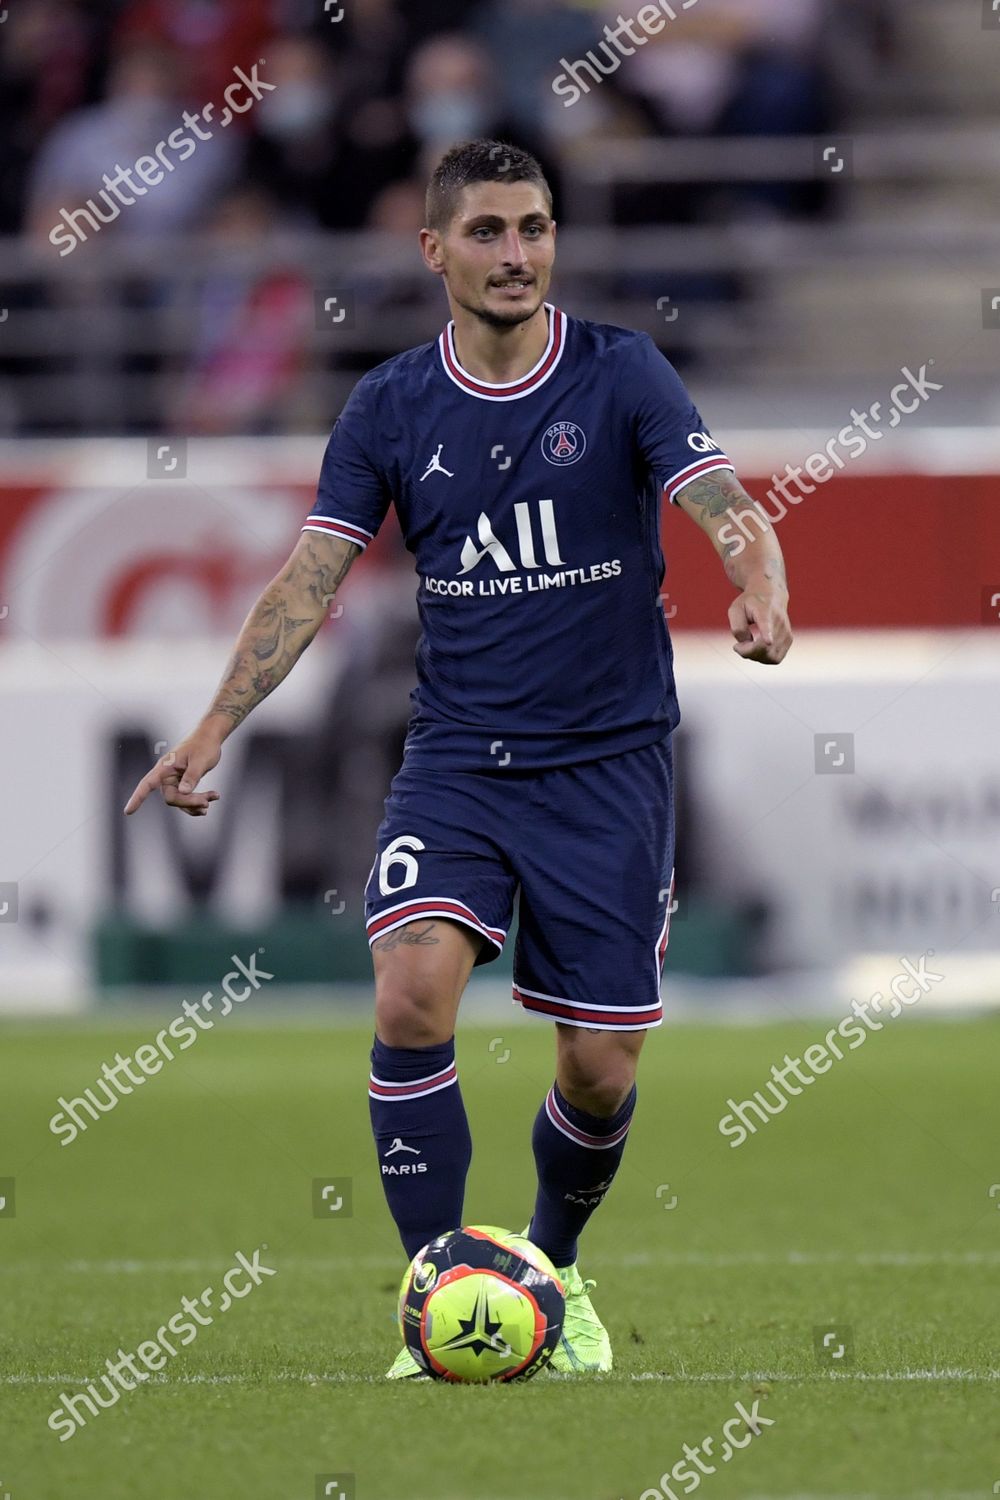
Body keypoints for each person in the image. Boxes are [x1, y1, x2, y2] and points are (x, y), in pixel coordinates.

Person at [124, 139, 792, 1379]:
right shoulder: (387, 406)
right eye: (485, 232)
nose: (515, 254)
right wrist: (215, 722)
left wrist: (759, 585)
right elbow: (309, 580)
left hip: (610, 766)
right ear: (433, 250)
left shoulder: (621, 372)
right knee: (409, 994)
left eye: (533, 228)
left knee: (596, 1069)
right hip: (460, 763)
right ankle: (438, 1294)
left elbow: (724, 504)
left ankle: (555, 1269)